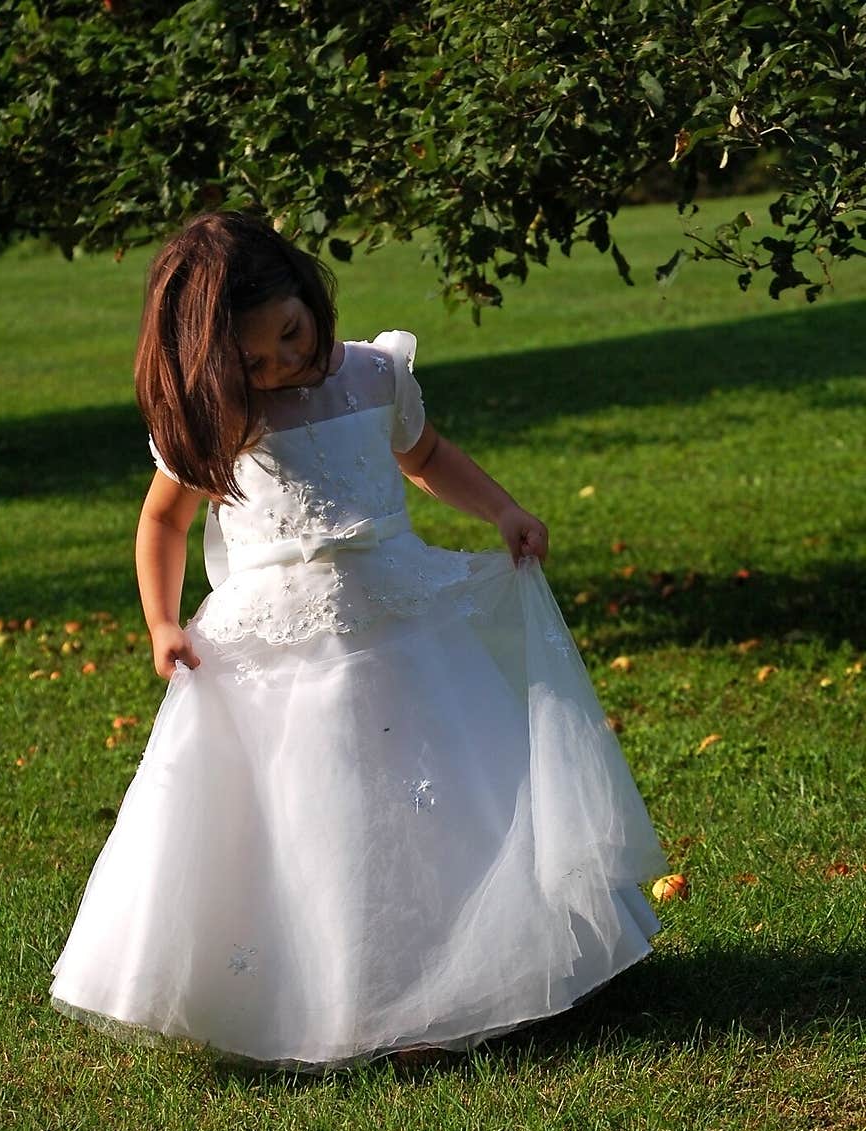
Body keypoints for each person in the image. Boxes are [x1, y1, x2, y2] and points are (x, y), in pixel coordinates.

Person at [50, 210, 669, 1072]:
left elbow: (427, 456)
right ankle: (318, 997)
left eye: (291, 336)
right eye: (253, 360)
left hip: (399, 628)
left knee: (434, 801)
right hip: (278, 658)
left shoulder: (376, 377)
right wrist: (161, 620)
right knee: (311, 818)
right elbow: (162, 521)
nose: (281, 366)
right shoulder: (222, 416)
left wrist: (503, 509)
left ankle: (453, 983)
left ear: (310, 296)